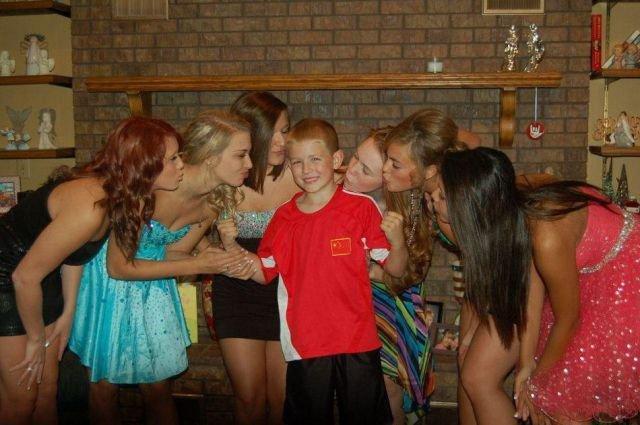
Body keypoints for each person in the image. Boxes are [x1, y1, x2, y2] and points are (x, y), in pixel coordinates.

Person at [69, 111, 254, 425]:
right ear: (211, 157)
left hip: (155, 287)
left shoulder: (212, 203)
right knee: (103, 387)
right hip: (109, 284)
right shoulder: (157, 182)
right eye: (241, 154)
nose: (249, 163)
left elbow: (176, 252)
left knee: (158, 389)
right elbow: (118, 266)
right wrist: (200, 262)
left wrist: (218, 259)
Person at [432, 147, 640, 424]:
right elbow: (531, 291)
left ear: (470, 204)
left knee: (562, 402)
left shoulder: (545, 235)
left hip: (625, 279)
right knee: (554, 396)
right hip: (589, 271)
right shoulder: (511, 206)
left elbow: (568, 319)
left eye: (442, 195)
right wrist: (526, 363)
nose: (433, 200)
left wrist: (537, 383)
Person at [0, 116, 182, 425]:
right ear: (144, 165)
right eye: (173, 158)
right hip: (9, 276)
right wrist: (35, 338)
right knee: (22, 399)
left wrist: (68, 312)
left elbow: (74, 255)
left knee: (47, 390)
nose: (181, 165)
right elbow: (24, 276)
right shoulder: (91, 204)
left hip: (40, 278)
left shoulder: (120, 194)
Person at [227, 118, 407, 424]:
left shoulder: (361, 209)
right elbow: (262, 271)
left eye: (314, 159)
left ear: (335, 160)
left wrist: (398, 241)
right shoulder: (283, 218)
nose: (306, 169)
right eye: (297, 162)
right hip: (306, 343)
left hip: (357, 340)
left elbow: (396, 269)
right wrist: (230, 244)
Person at [206, 91, 299, 425]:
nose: (282, 141)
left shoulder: (299, 174)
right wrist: (213, 252)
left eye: (285, 130)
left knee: (282, 399)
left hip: (285, 295)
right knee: (249, 398)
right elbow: (187, 232)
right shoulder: (227, 179)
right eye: (273, 133)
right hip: (236, 295)